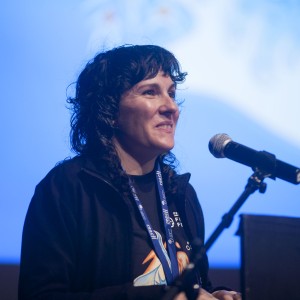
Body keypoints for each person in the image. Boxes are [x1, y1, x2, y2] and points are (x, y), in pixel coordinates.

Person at [18, 44, 241, 300]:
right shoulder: (67, 188)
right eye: (150, 92)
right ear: (110, 110)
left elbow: (193, 283)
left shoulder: (180, 193)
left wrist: (214, 294)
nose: (171, 107)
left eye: (171, 93)